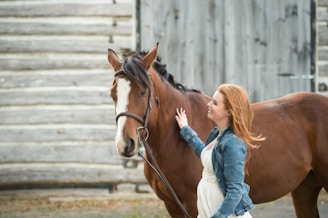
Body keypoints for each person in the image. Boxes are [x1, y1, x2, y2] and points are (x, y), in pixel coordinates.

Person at [175, 84, 265, 218]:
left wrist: (219, 216)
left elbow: (235, 190)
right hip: (208, 209)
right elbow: (206, 154)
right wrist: (186, 130)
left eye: (215, 103)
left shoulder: (233, 143)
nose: (209, 104)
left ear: (229, 111)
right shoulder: (217, 135)